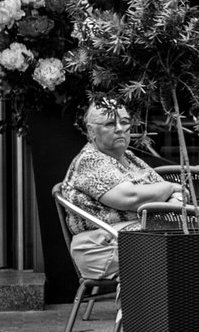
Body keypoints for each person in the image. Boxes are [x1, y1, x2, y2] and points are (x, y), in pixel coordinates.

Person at [60, 102, 183, 279]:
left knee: (196, 246)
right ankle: (137, 306)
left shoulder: (128, 157)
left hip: (132, 238)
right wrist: (169, 188)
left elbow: (163, 193)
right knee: (187, 253)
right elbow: (131, 198)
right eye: (110, 124)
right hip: (102, 246)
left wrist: (168, 195)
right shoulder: (90, 160)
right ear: (91, 131)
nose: (119, 128)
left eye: (124, 122)